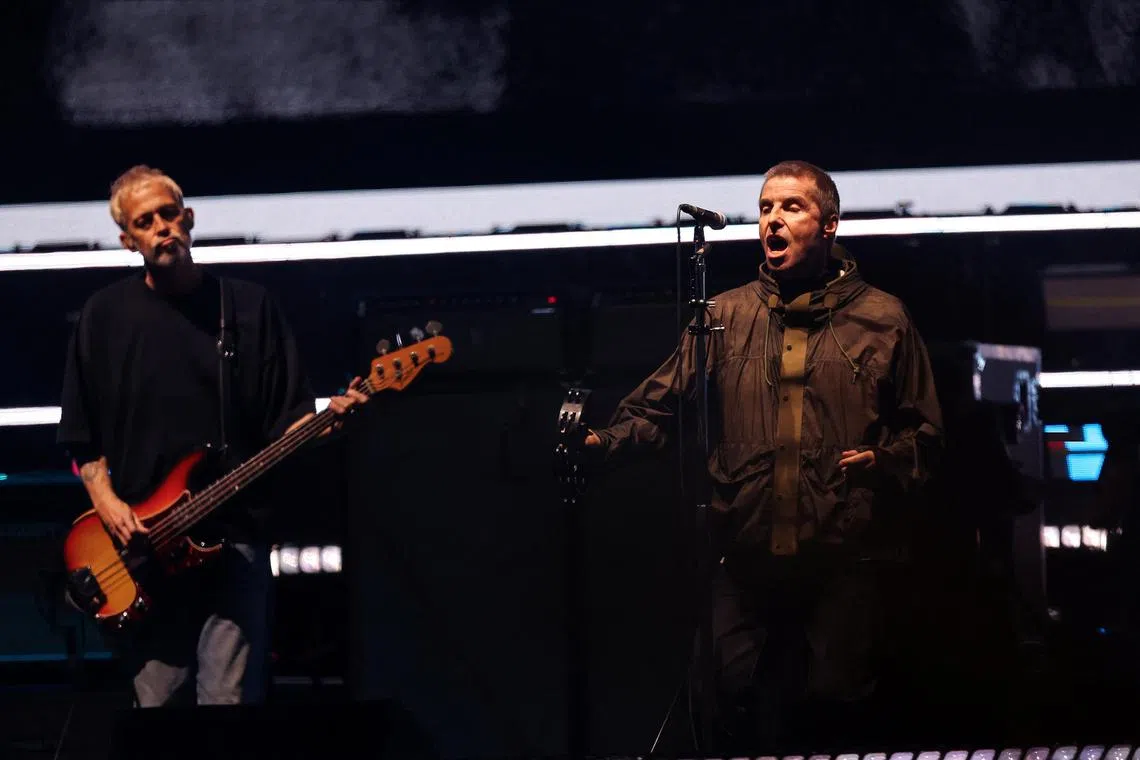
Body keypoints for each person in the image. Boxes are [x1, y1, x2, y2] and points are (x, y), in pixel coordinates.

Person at [584, 160, 944, 750]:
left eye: (791, 207)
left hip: (844, 555)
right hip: (746, 554)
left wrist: (884, 462)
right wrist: (599, 443)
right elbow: (658, 411)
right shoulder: (722, 318)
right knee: (725, 697)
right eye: (765, 208)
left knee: (836, 706)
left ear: (829, 225)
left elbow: (927, 437)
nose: (773, 220)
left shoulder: (884, 319)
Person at [57, 165, 370, 707]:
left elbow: (287, 422)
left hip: (235, 540)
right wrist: (108, 504)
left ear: (189, 218)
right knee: (157, 708)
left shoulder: (247, 308)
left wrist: (330, 421)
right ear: (128, 241)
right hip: (144, 551)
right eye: (145, 221)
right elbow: (83, 438)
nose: (161, 227)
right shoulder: (103, 316)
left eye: (169, 214)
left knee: (229, 709)